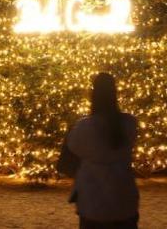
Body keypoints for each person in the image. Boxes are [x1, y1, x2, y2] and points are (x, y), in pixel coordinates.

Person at [62, 72, 139, 229]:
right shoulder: (129, 123)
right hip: (124, 198)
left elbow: (72, 149)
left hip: (93, 203)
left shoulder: (84, 127)